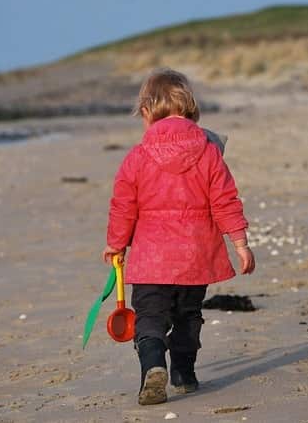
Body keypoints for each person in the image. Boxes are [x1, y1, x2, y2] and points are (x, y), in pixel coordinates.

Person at [102, 68, 255, 405]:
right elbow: (225, 199)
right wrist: (240, 243)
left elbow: (123, 205)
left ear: (145, 112)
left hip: (151, 260)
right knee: (188, 315)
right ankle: (184, 373)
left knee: (150, 318)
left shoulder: (138, 157)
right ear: (190, 109)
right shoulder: (209, 151)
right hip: (195, 257)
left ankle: (153, 366)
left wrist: (116, 244)